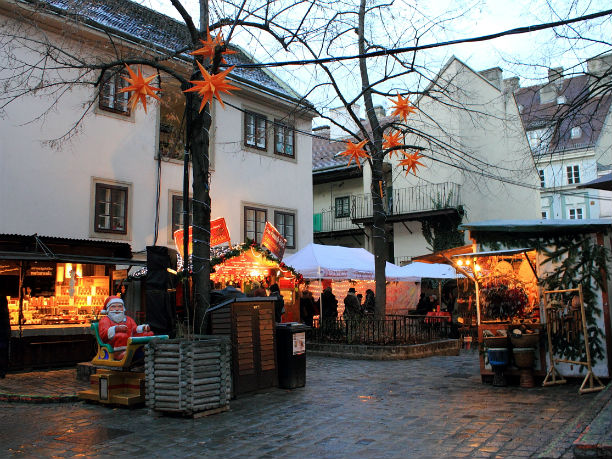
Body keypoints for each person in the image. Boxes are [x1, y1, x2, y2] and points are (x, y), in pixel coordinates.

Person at [98, 296, 154, 360]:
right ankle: (118, 354)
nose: (117, 309)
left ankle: (143, 350)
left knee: (149, 333)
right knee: (121, 335)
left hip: (129, 340)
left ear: (123, 308)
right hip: (112, 343)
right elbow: (103, 335)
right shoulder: (105, 320)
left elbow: (134, 329)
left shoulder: (128, 319)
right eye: (113, 307)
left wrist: (143, 328)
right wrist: (116, 329)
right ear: (108, 309)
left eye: (119, 306)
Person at [0, 296, 10, 378]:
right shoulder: (5, 313)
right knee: (3, 352)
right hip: (3, 333)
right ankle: (2, 370)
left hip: (2, 332)